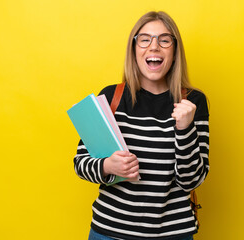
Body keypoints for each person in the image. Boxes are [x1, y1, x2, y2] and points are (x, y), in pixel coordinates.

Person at [73, 11, 209, 240]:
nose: (154, 47)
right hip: (110, 233)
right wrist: (108, 166)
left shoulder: (193, 102)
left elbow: (192, 180)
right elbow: (80, 163)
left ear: (174, 52)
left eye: (164, 40)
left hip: (173, 234)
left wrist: (185, 130)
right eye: (145, 39)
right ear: (134, 50)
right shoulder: (111, 97)